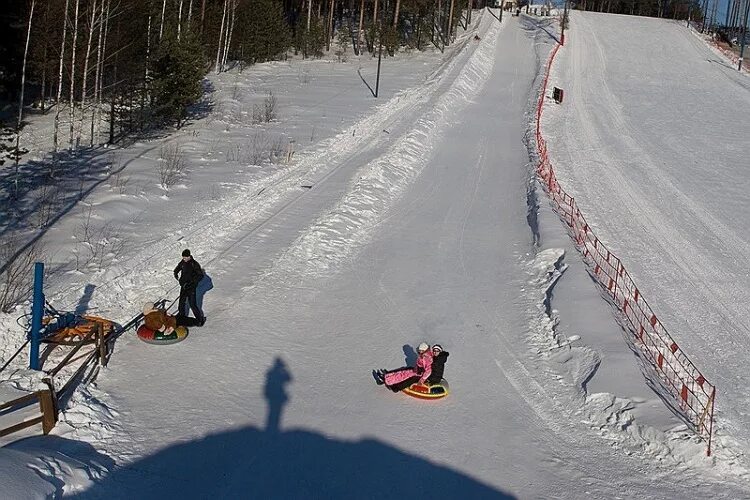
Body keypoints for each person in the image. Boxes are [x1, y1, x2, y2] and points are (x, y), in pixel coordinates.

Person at [174, 249, 206, 326]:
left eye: (185, 258)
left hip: (191, 287)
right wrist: (175, 272)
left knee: (192, 304)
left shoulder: (194, 264)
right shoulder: (183, 262)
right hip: (183, 286)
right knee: (181, 302)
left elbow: (200, 275)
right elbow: (178, 267)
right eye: (183, 258)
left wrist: (192, 282)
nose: (183, 259)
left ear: (189, 256)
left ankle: (200, 319)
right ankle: (181, 316)